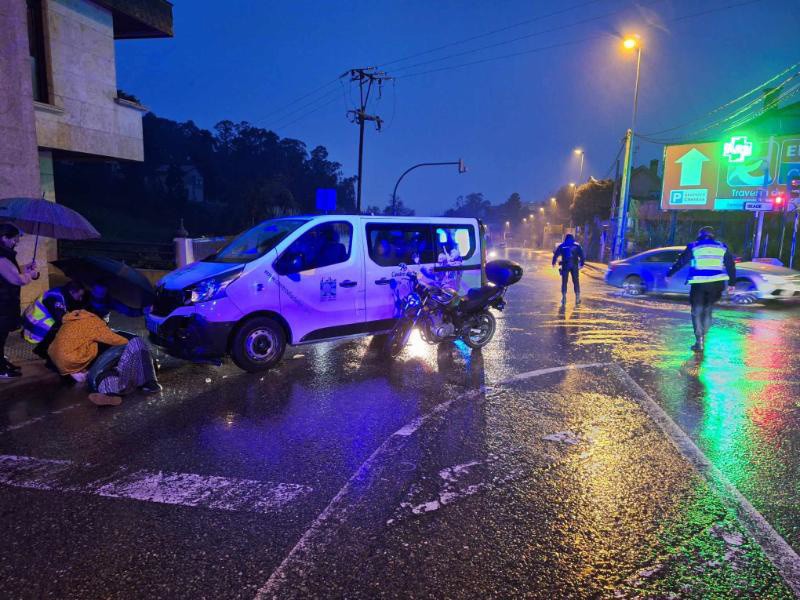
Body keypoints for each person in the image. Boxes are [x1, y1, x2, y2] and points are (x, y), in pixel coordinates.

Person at [48, 309, 161, 405]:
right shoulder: (93, 323)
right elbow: (117, 340)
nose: (107, 321)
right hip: (87, 363)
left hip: (69, 365)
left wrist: (70, 371)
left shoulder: (73, 320)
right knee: (136, 342)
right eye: (106, 319)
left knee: (109, 377)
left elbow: (53, 349)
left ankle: (108, 391)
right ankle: (150, 383)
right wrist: (130, 341)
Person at [666, 226, 736, 352]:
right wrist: (732, 283)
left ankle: (699, 341)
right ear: (712, 235)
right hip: (717, 284)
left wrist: (670, 274)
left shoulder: (693, 246)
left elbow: (681, 261)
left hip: (699, 283)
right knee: (708, 307)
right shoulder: (722, 246)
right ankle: (705, 327)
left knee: (697, 311)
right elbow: (730, 264)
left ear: (700, 235)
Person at [0, 224, 39, 379]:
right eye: (14, 239)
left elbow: (10, 271)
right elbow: (16, 279)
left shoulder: (5, 255)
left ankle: (1, 362)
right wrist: (31, 273)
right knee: (0, 336)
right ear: (4, 238)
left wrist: (25, 268)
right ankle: (1, 369)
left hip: (5, 303)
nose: (16, 242)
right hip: (2, 305)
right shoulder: (1, 256)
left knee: (1, 336)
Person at [21, 280, 86, 358]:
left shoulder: (57, 292)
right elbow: (61, 319)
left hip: (30, 327)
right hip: (36, 333)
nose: (80, 299)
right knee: (66, 329)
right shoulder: (56, 299)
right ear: (71, 292)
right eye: (79, 295)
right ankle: (43, 350)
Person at [552, 233, 585, 305]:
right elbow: (582, 255)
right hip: (574, 265)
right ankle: (577, 298)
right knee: (576, 281)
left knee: (564, 282)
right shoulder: (577, 245)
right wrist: (582, 263)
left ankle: (564, 297)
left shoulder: (562, 245)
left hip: (565, 265)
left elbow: (556, 254)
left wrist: (553, 262)